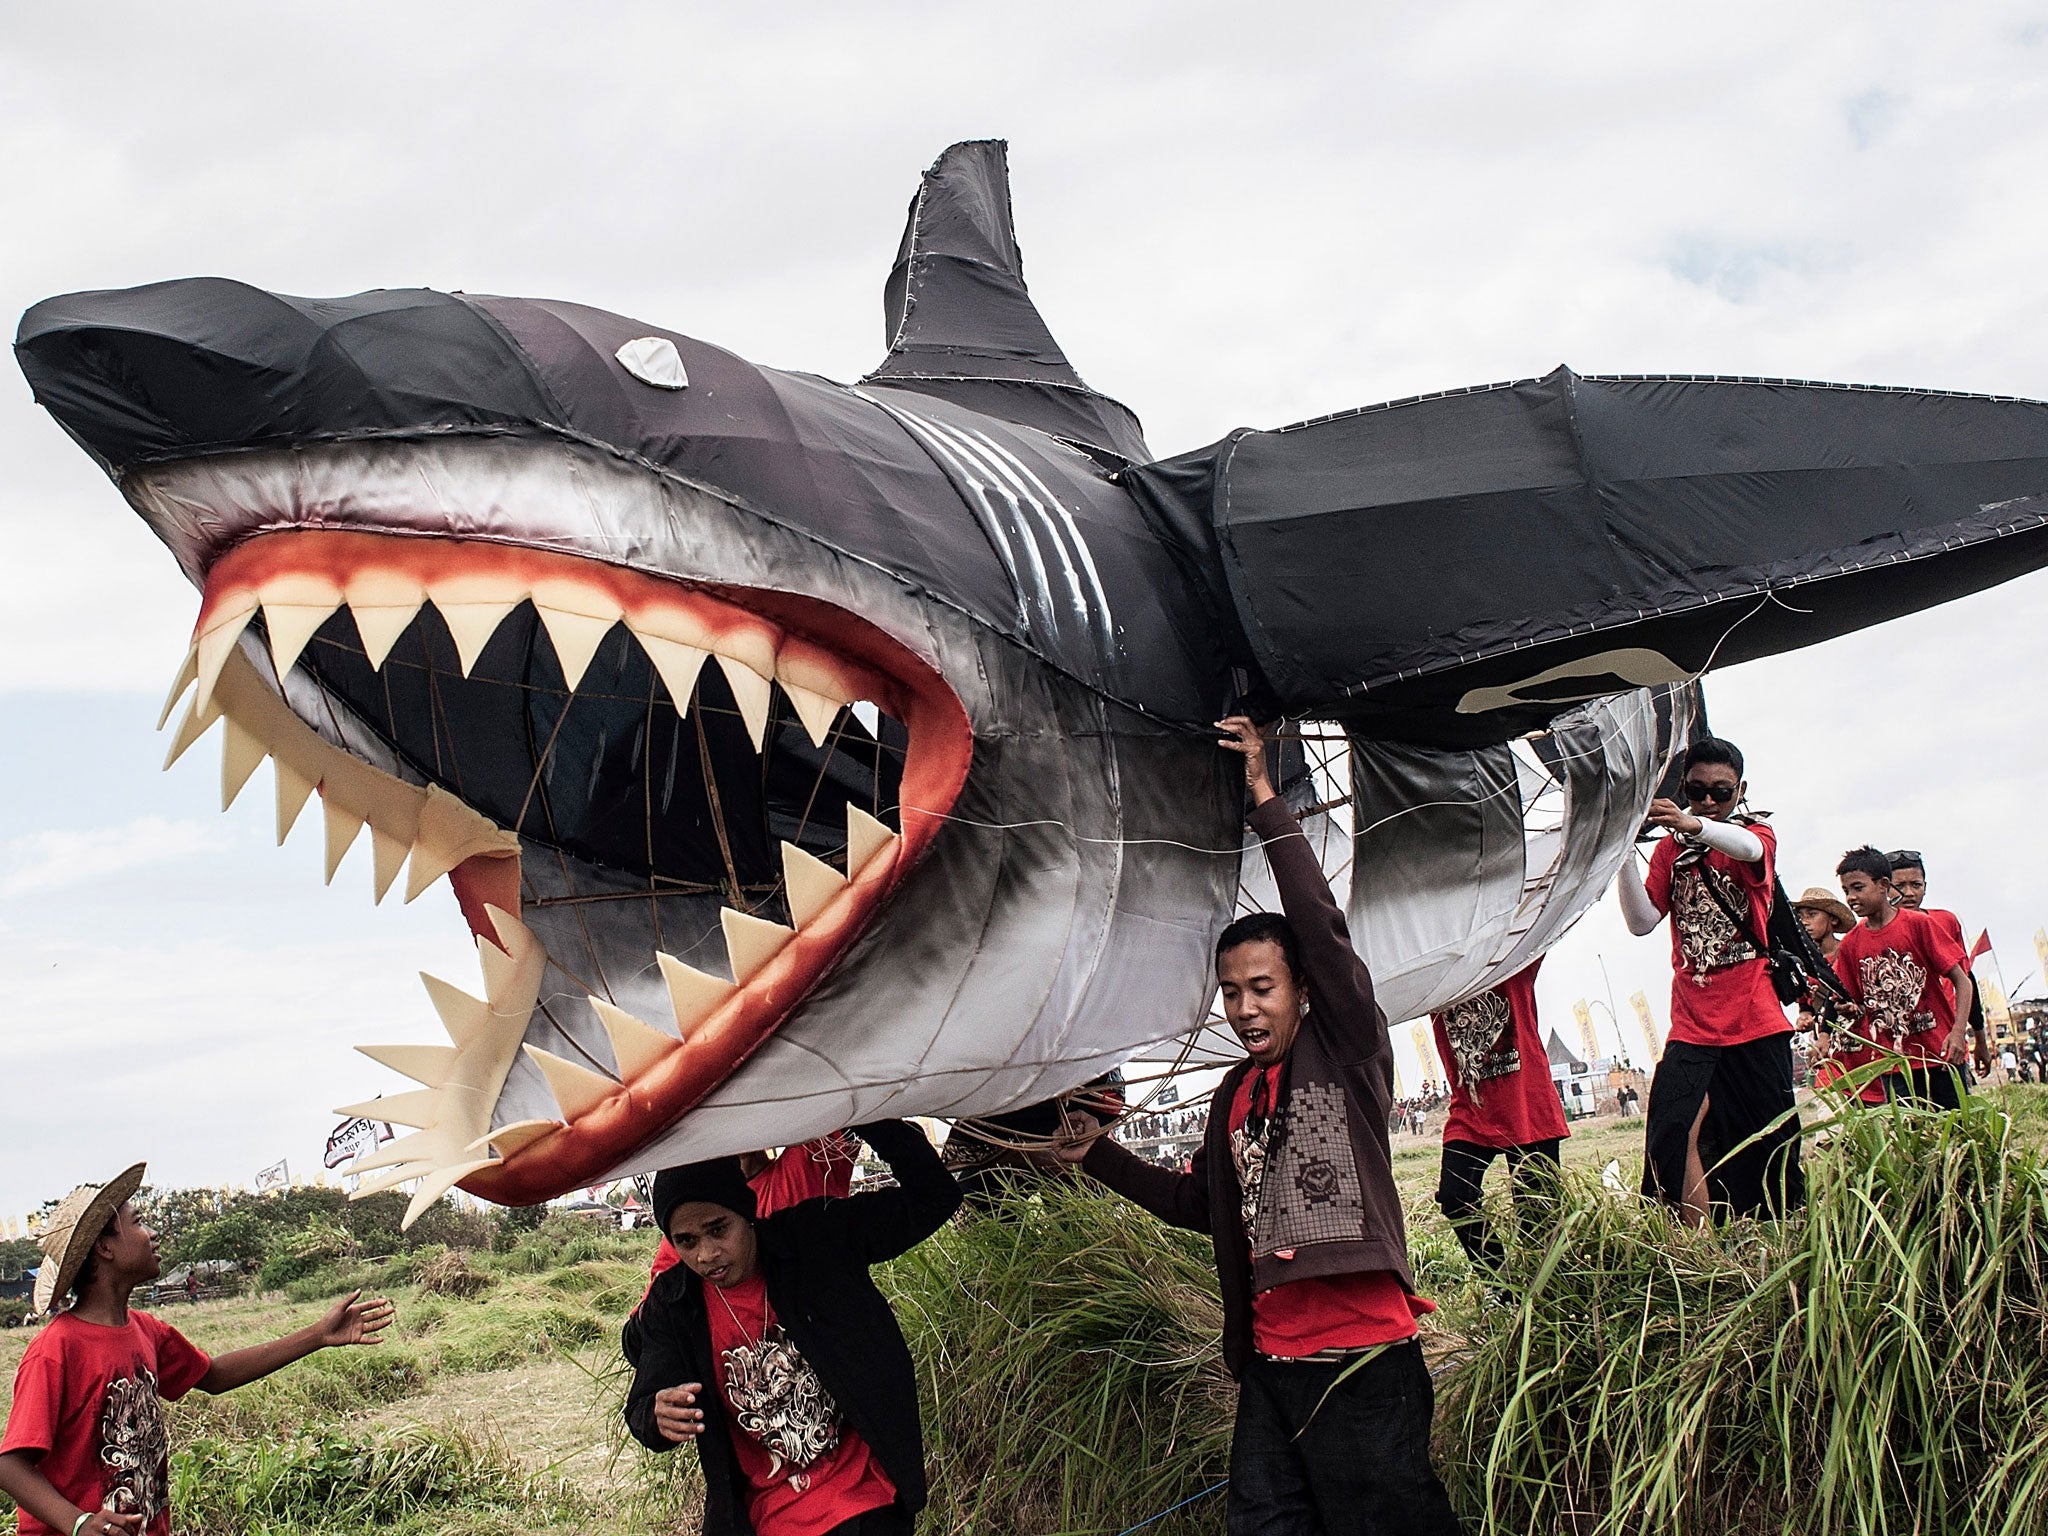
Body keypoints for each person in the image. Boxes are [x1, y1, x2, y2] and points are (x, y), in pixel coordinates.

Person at [1058, 716, 1462, 1536]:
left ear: (1303, 989)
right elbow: (1197, 1205)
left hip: (1361, 1363)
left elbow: (1322, 929)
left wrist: (1267, 802)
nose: (1245, 1006)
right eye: (1231, 991)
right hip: (1273, 1367)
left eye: (1263, 987)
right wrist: (1094, 1155)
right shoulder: (1233, 1094)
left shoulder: (1346, 1047)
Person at [0, 1163, 393, 1536]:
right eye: (138, 1222)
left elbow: (215, 1375)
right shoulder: (56, 1349)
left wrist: (318, 1335)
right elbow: (10, 1464)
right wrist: (78, 1522)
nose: (153, 1233)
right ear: (104, 1248)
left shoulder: (147, 1331)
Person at [624, 1121, 960, 1536]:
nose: (707, 1254)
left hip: (868, 1500)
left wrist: (871, 1116)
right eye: (687, 1241)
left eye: (717, 1229)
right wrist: (657, 1417)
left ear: (745, 1212)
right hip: (768, 1520)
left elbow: (933, 1198)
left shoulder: (815, 1240)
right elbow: (643, 1402)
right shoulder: (675, 1305)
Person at [1615, 736, 1803, 1224]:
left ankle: (1778, 1240)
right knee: (1671, 1136)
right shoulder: (1669, 854)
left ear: (1741, 790)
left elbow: (1742, 845)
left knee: (1770, 1146)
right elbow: (1641, 921)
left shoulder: (1756, 835)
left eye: (1722, 792)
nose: (1710, 801)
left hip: (1756, 1018)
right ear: (1684, 787)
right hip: (1693, 1021)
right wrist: (1618, 853)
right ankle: (1701, 1249)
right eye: (1697, 790)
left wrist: (1694, 823)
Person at [1429, 960, 1569, 1273]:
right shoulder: (1435, 972)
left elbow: (1542, 918)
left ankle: (1543, 1299)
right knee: (1455, 1197)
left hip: (1527, 1105)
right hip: (1472, 1108)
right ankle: (1501, 1287)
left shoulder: (1511, 958)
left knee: (1538, 1220)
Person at [1834, 847, 1974, 1110]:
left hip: (1938, 1055)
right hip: (1892, 1063)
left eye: (1858, 888)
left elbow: (1963, 981)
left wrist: (1958, 1033)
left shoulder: (1918, 925)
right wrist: (1849, 1009)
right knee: (1909, 1140)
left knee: (1957, 1131)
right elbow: (1856, 1001)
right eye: (1846, 891)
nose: (1851, 897)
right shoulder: (1851, 944)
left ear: (1883, 885)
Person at [1886, 851, 1993, 1076]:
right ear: (1885, 887)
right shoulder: (1873, 931)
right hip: (1898, 1051)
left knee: (1956, 1110)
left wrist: (1979, 1038)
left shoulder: (1945, 921)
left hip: (1945, 1042)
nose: (1909, 893)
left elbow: (1965, 978)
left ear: (1925, 885)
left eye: (1916, 884)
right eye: (1900, 885)